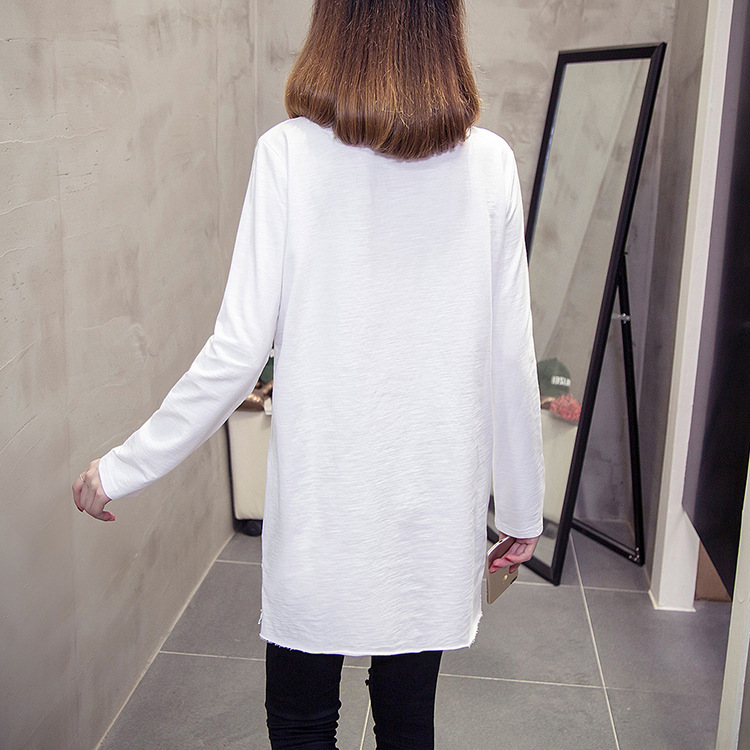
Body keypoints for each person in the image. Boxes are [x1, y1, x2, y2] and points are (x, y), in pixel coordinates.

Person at [72, 0, 545, 747]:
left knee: (300, 721)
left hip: (323, 507)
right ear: (443, 26)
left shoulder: (287, 155)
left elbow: (237, 352)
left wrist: (122, 468)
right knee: (408, 721)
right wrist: (521, 509)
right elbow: (511, 359)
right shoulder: (489, 165)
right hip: (431, 506)